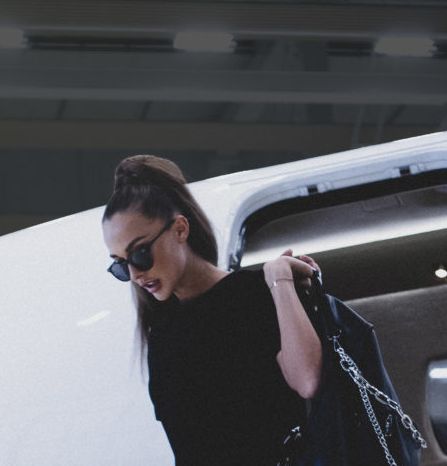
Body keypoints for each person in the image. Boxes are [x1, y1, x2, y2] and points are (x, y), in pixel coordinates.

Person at [101, 155, 322, 465]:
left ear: (179, 229)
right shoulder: (162, 333)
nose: (135, 275)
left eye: (139, 254)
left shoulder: (256, 292)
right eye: (121, 265)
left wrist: (279, 279)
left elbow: (307, 380)